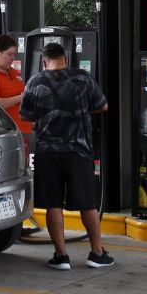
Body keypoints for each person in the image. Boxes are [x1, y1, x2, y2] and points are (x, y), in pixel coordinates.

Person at [20, 42, 113, 270]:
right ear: (66, 59)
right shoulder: (83, 78)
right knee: (87, 204)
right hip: (78, 150)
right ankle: (97, 253)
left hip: (47, 152)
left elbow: (26, 115)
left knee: (53, 204)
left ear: (43, 61)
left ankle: (61, 256)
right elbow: (103, 106)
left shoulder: (34, 82)